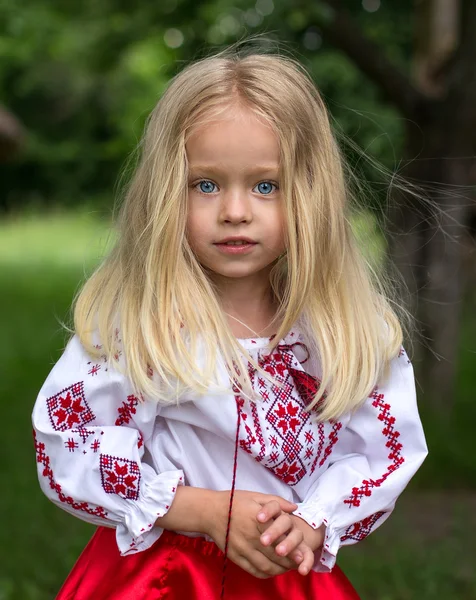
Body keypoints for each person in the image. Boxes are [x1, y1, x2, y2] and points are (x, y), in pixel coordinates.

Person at [32, 47, 428, 600]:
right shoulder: (142, 325)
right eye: (206, 185)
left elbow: (384, 452)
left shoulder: (339, 331)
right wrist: (201, 510)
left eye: (266, 186)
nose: (235, 211)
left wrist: (314, 520)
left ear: (309, 193)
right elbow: (69, 439)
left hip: (285, 570)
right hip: (164, 575)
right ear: (168, 190)